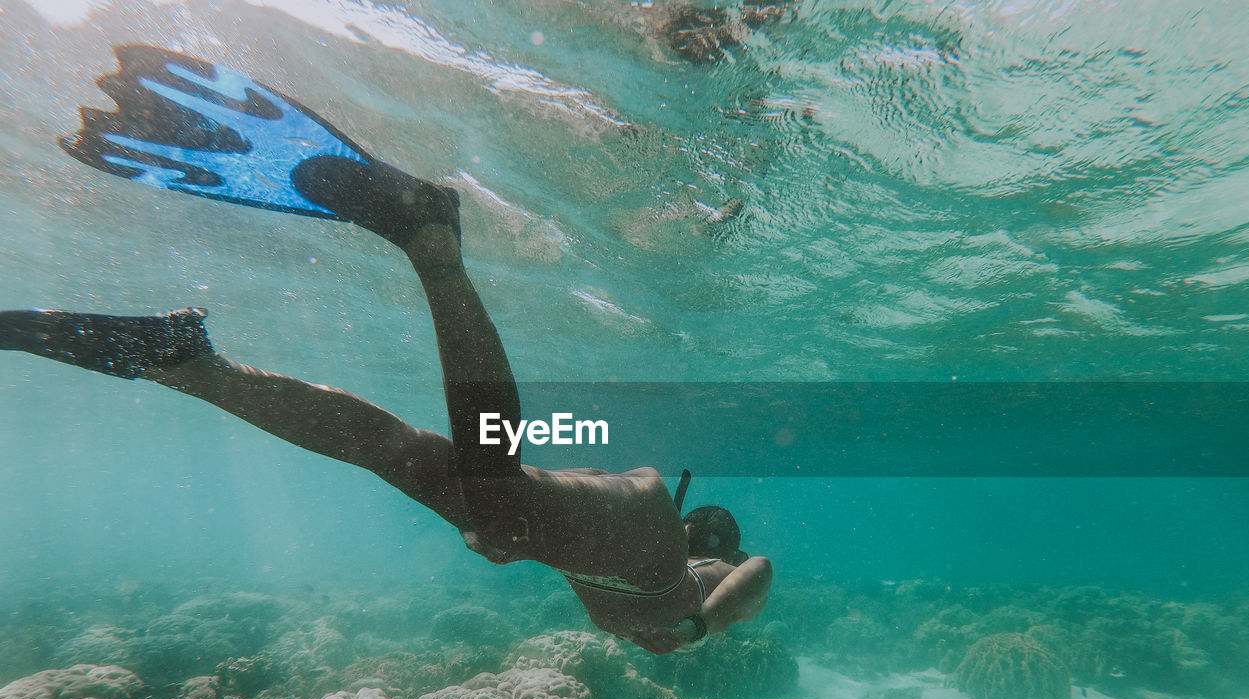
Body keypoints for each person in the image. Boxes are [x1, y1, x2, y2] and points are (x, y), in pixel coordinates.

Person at [0, 45, 772, 655]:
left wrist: (529, 537)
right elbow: (759, 578)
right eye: (717, 544)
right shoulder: (703, 579)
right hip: (630, 530)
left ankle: (190, 365)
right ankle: (431, 238)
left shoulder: (651, 566)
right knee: (496, 493)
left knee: (398, 453)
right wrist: (699, 625)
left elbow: (570, 535)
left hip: (599, 522)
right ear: (711, 542)